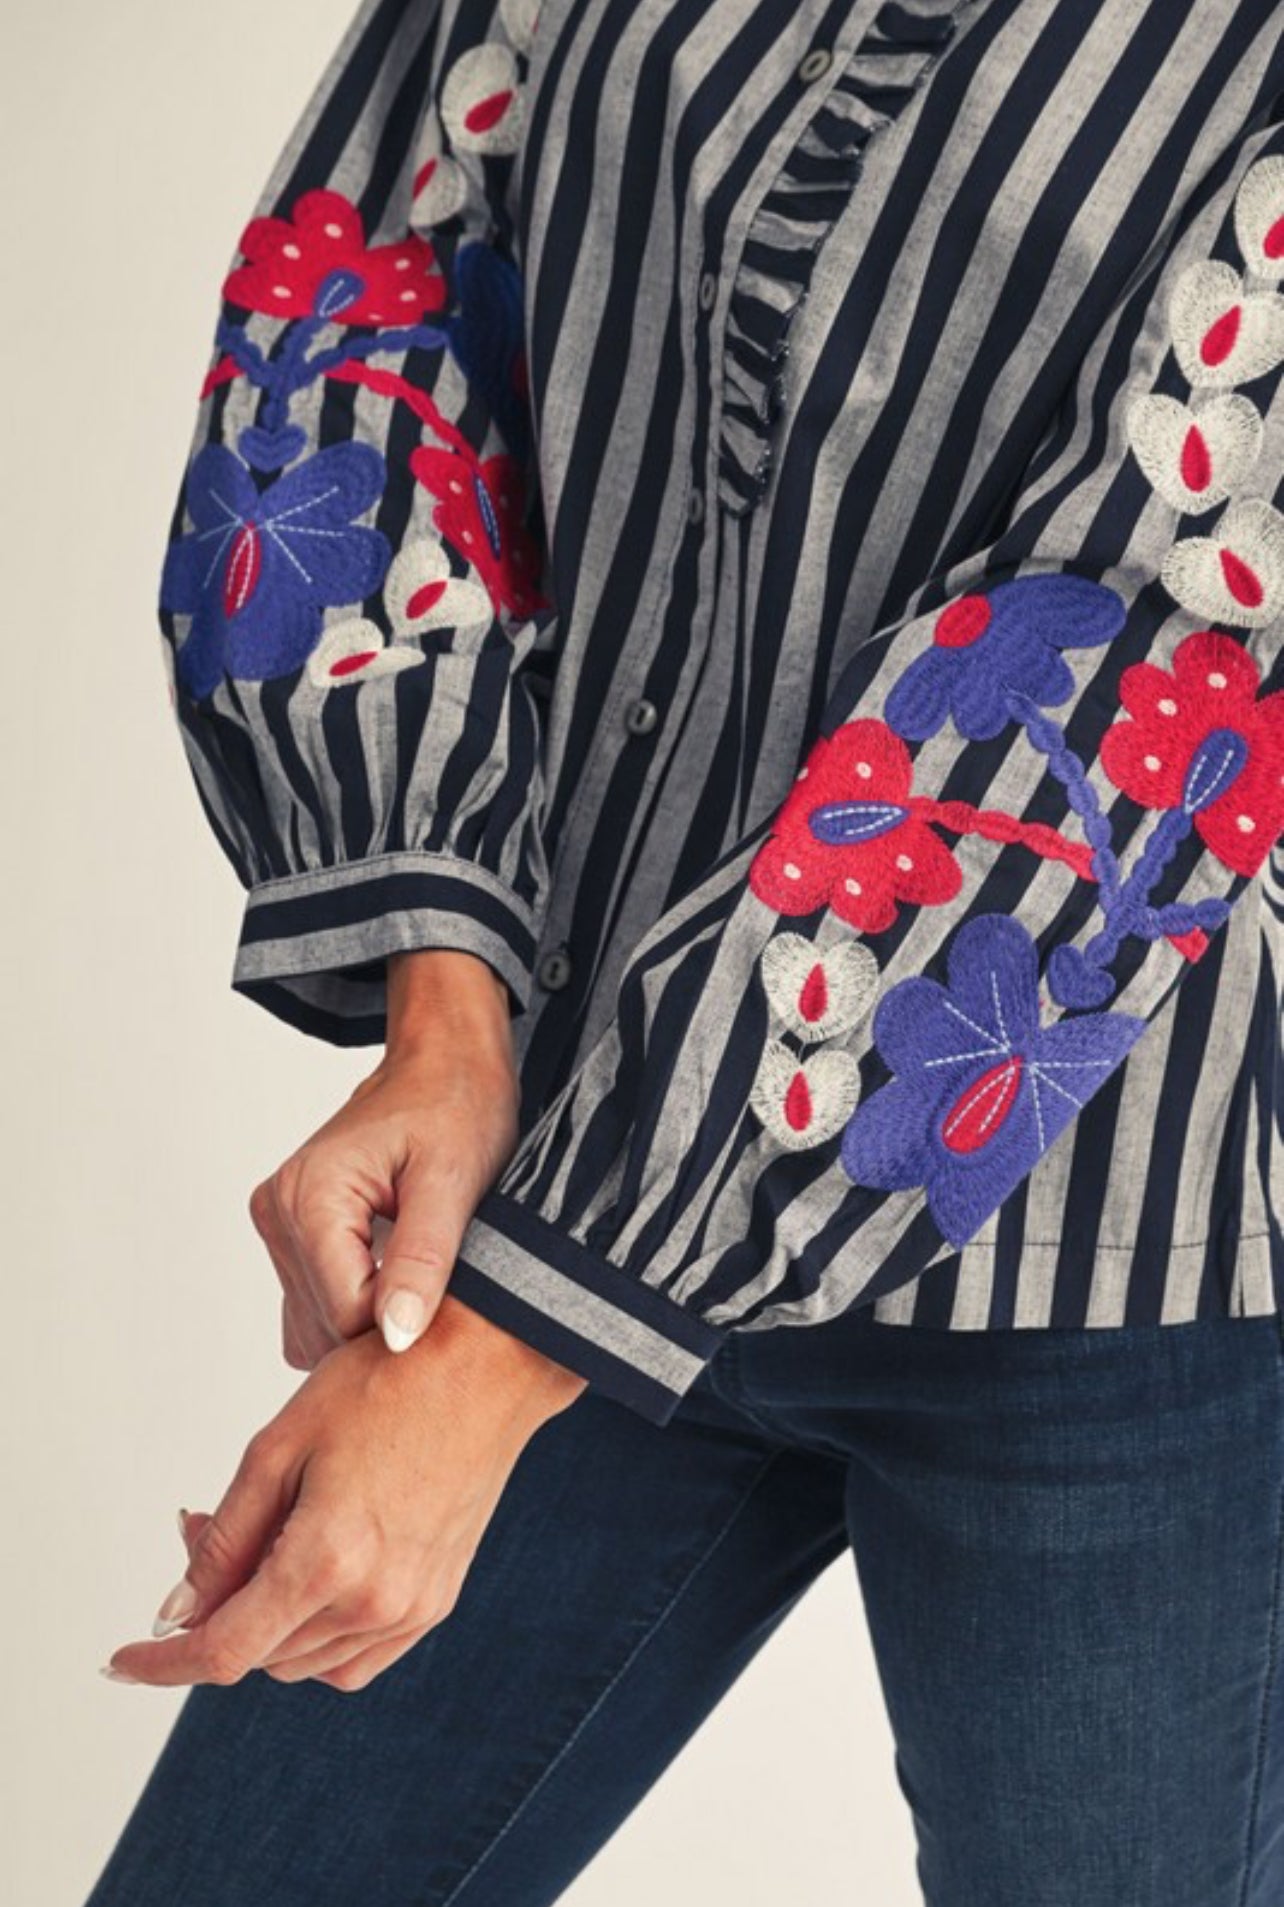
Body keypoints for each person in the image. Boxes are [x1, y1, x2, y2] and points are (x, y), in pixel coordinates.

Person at [86, 0, 1284, 1900]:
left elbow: (1166, 642)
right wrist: (451, 1011)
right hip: (559, 1148)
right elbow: (368, 317)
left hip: (1118, 1271)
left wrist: (500, 1346)